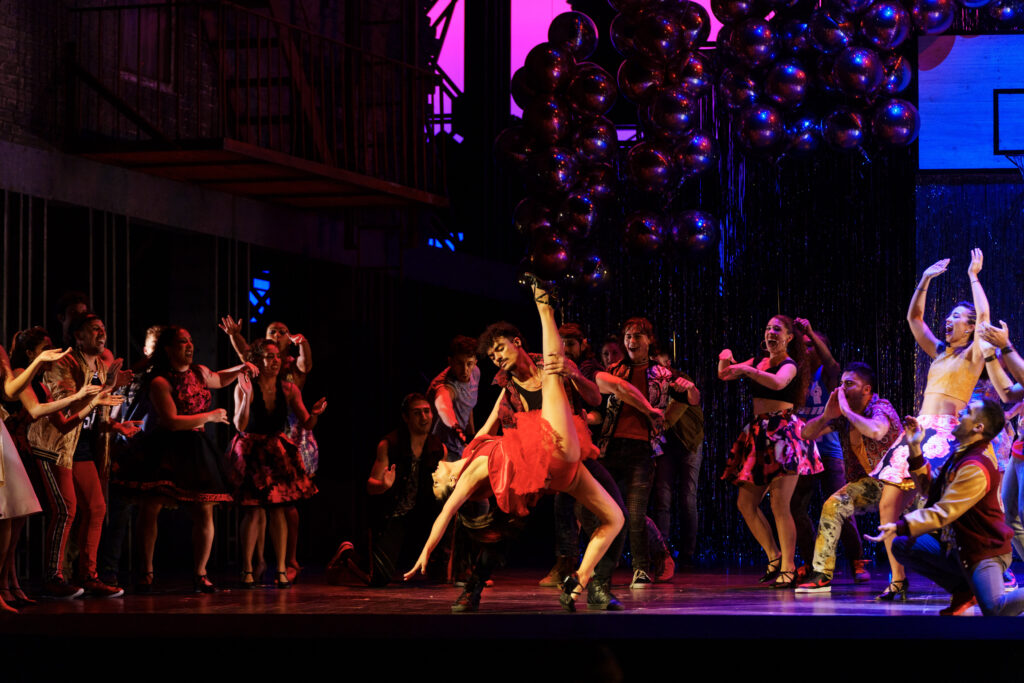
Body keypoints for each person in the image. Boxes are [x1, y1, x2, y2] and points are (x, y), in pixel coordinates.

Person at [404, 279, 625, 612]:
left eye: (500, 350)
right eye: (491, 357)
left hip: (571, 447)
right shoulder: (507, 390)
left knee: (614, 510)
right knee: (503, 529)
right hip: (533, 463)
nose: (496, 359)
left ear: (517, 342)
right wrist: (470, 459)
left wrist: (576, 375)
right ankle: (474, 587)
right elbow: (488, 428)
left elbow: (594, 398)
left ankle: (595, 585)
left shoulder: (552, 364)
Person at [868, 249, 993, 600]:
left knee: (938, 511)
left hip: (948, 434)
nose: (949, 321)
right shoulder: (940, 352)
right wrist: (924, 279)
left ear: (969, 328)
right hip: (919, 430)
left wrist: (973, 276)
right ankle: (897, 579)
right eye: (949, 317)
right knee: (888, 505)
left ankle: (968, 576)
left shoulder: (972, 354)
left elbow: (984, 316)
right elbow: (914, 318)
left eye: (957, 317)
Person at [123, 326, 255, 593]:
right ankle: (146, 572)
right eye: (182, 342)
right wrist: (210, 416)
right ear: (169, 349)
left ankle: (200, 573)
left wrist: (241, 368)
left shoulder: (199, 372)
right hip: (168, 446)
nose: (189, 345)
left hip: (196, 447)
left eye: (191, 340)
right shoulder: (160, 381)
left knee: (205, 509)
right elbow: (171, 421)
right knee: (152, 507)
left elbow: (218, 379)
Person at [867, 399, 1024, 616]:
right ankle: (964, 589)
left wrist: (901, 526)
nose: (959, 414)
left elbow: (944, 512)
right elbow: (929, 490)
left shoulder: (975, 466)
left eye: (967, 412)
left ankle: (971, 587)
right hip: (959, 545)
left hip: (983, 550)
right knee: (902, 546)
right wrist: (914, 448)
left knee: (995, 609)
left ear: (979, 427)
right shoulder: (961, 455)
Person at [4, 330, 122, 604]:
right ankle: (44, 579)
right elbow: (38, 410)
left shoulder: (49, 379)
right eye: (46, 349)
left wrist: (97, 395)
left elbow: (67, 419)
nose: (55, 352)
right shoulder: (27, 373)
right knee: (55, 511)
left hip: (46, 448)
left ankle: (13, 583)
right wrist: (86, 393)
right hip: (30, 450)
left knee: (20, 522)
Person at [719, 315, 821, 588]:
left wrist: (748, 370)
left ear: (789, 337)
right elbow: (724, 373)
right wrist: (725, 357)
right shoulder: (756, 361)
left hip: (784, 435)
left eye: (777, 329)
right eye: (767, 328)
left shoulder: (790, 365)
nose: (770, 333)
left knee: (779, 504)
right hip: (758, 434)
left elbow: (777, 383)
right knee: (745, 503)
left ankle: (789, 566)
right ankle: (774, 555)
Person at [37, 314, 133, 598]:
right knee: (67, 510)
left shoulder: (101, 367)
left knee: (97, 508)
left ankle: (88, 575)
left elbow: (97, 412)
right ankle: (53, 576)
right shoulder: (62, 363)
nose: (101, 333)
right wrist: (108, 387)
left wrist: (118, 424)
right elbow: (68, 406)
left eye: (103, 328)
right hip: (60, 443)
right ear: (78, 336)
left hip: (84, 446)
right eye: (94, 329)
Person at [220, 316, 315, 582]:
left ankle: (285, 566)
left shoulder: (290, 378)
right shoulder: (249, 379)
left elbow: (306, 366)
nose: (277, 335)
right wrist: (233, 335)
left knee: (281, 507)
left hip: (281, 443)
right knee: (254, 509)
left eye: (282, 332)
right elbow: (240, 423)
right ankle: (252, 566)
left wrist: (303, 342)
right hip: (253, 445)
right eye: (273, 331)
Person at [794, 363, 903, 593]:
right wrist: (826, 416)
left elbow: (876, 430)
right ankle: (822, 574)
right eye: (841, 384)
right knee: (833, 505)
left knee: (938, 518)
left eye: (849, 384)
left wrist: (846, 412)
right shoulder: (844, 417)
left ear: (867, 389)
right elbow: (806, 433)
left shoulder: (880, 407)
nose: (842, 389)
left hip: (903, 484)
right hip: (872, 485)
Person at [595, 317, 678, 588]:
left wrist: (665, 419)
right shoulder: (615, 370)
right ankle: (600, 567)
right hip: (611, 447)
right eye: (629, 336)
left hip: (642, 448)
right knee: (603, 509)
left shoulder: (662, 374)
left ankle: (641, 568)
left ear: (649, 340)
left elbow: (692, 398)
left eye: (638, 336)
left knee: (635, 512)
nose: (632, 341)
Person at [788, 320, 867, 581]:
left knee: (839, 505)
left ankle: (857, 560)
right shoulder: (794, 376)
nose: (806, 349)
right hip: (802, 454)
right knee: (795, 507)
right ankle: (812, 562)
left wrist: (809, 331)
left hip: (829, 452)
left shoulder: (827, 374)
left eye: (812, 345)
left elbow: (833, 363)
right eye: (804, 345)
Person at [652, 349, 703, 568]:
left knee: (687, 498)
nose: (657, 369)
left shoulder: (680, 380)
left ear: (668, 362)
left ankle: (687, 553)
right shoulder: (651, 384)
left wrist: (653, 427)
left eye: (660, 363)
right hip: (665, 446)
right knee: (662, 498)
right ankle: (661, 553)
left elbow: (676, 411)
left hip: (689, 443)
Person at [427, 335, 479, 462]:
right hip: (441, 450)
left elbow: (468, 404)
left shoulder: (475, 372)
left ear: (475, 362)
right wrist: (459, 433)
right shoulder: (444, 385)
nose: (465, 370)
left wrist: (471, 436)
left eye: (469, 364)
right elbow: (443, 406)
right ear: (450, 362)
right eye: (459, 363)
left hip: (462, 447)